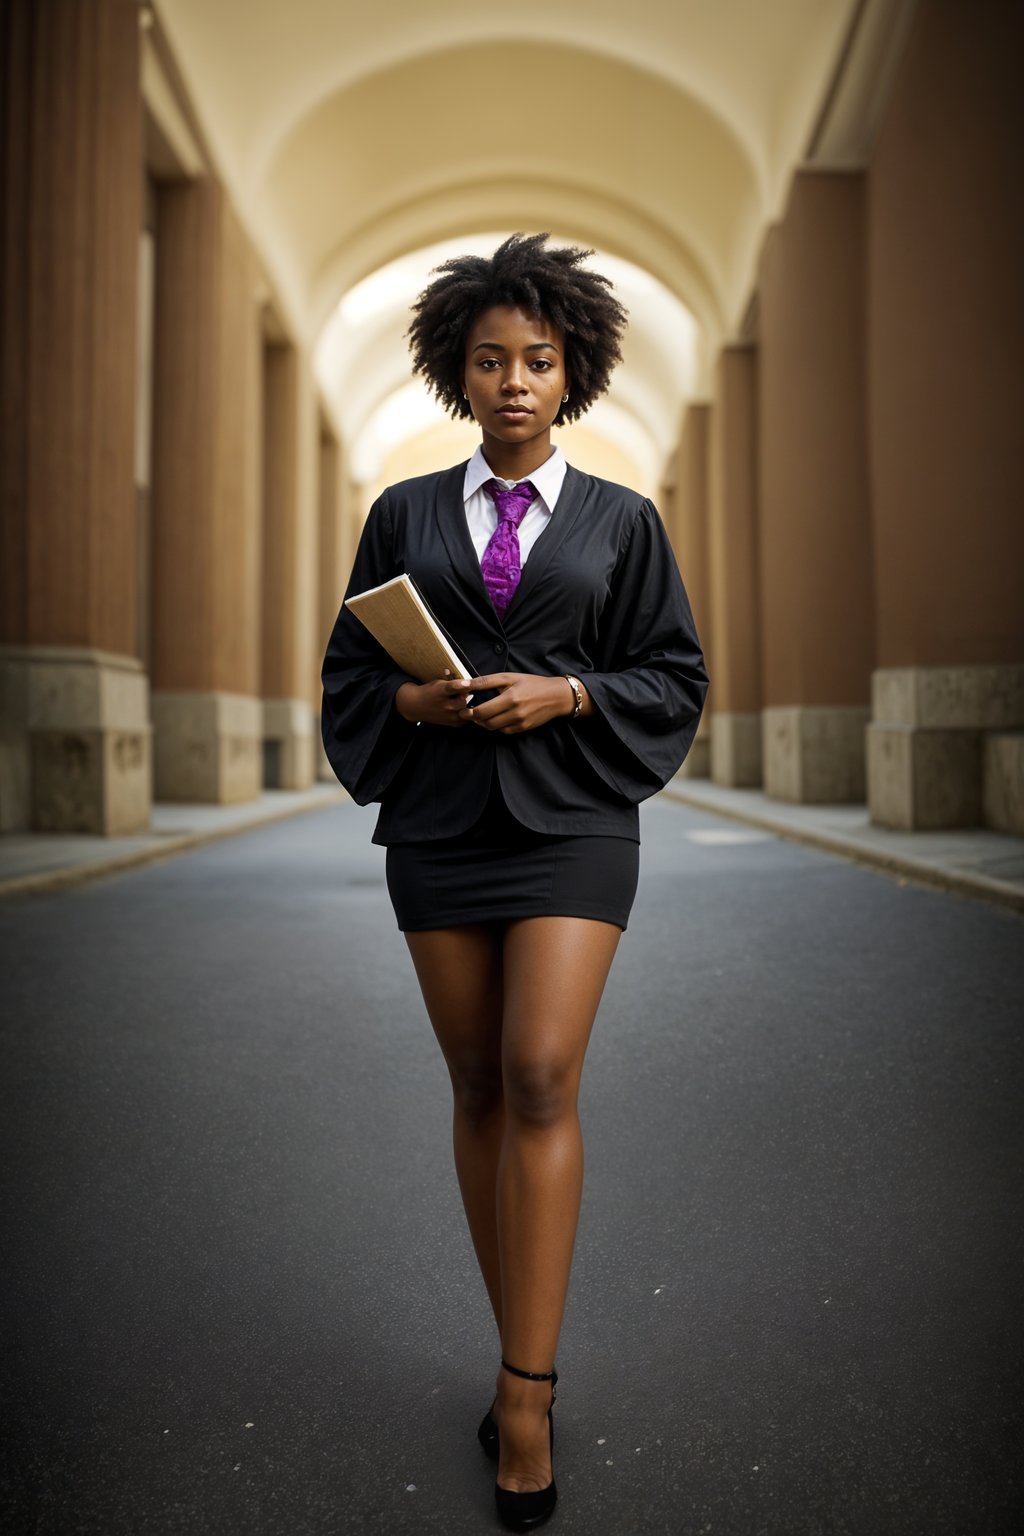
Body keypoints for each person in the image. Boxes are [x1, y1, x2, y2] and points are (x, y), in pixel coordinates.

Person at [321, 232, 709, 1532]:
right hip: (437, 823)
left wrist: (575, 687)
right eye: (489, 360)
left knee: (541, 1071)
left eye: (536, 359)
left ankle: (526, 1397)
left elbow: (677, 676)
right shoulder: (404, 515)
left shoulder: (624, 524)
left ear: (572, 369)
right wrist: (414, 699)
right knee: (479, 1081)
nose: (513, 382)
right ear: (457, 371)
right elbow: (348, 677)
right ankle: (517, 1339)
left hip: (576, 822)